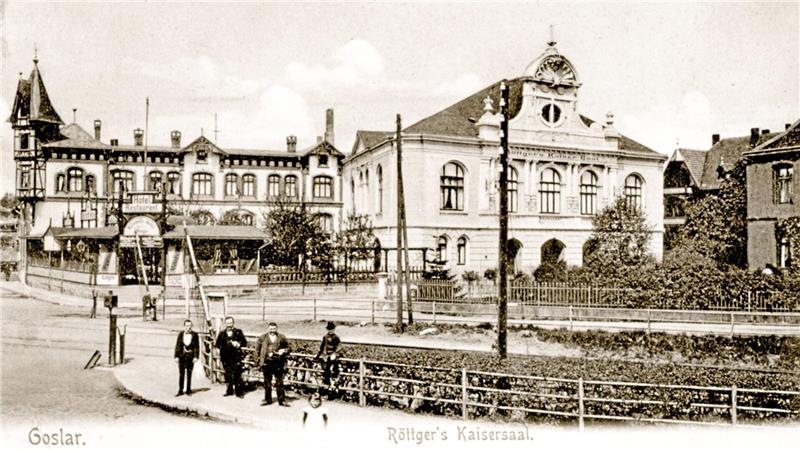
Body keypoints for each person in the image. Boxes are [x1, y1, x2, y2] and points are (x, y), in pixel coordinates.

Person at [255, 322, 291, 406]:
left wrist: (284, 350)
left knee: (279, 382)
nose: (272, 330)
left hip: (278, 363)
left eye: (274, 329)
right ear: (268, 329)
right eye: (271, 329)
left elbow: (289, 347)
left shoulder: (281, 337)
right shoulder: (262, 337)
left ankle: (281, 400)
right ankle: (267, 399)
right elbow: (257, 350)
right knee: (267, 382)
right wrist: (257, 362)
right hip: (267, 362)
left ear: (276, 329)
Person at [215, 316, 247, 398]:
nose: (229, 325)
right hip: (225, 358)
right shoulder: (222, 333)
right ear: (225, 324)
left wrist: (238, 343)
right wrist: (219, 351)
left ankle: (239, 392)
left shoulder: (238, 332)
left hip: (236, 357)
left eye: (230, 323)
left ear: (233, 323)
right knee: (227, 374)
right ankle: (229, 391)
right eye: (227, 323)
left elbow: (244, 342)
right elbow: (217, 344)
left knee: (237, 374)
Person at [315, 321, 341, 399]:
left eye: (332, 329)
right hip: (326, 357)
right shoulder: (325, 337)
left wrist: (335, 354)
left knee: (333, 374)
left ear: (334, 329)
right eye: (329, 329)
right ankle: (325, 392)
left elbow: (339, 347)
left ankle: (332, 394)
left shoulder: (336, 337)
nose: (331, 331)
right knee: (326, 374)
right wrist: (318, 355)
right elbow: (322, 347)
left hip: (333, 357)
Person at [174, 319, 199, 396]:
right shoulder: (181, 334)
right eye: (187, 326)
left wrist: (195, 357)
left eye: (190, 326)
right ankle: (180, 390)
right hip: (182, 356)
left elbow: (196, 347)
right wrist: (176, 356)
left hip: (190, 357)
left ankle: (188, 390)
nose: (189, 327)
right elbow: (178, 345)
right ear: (184, 326)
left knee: (189, 374)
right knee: (181, 374)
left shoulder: (195, 335)